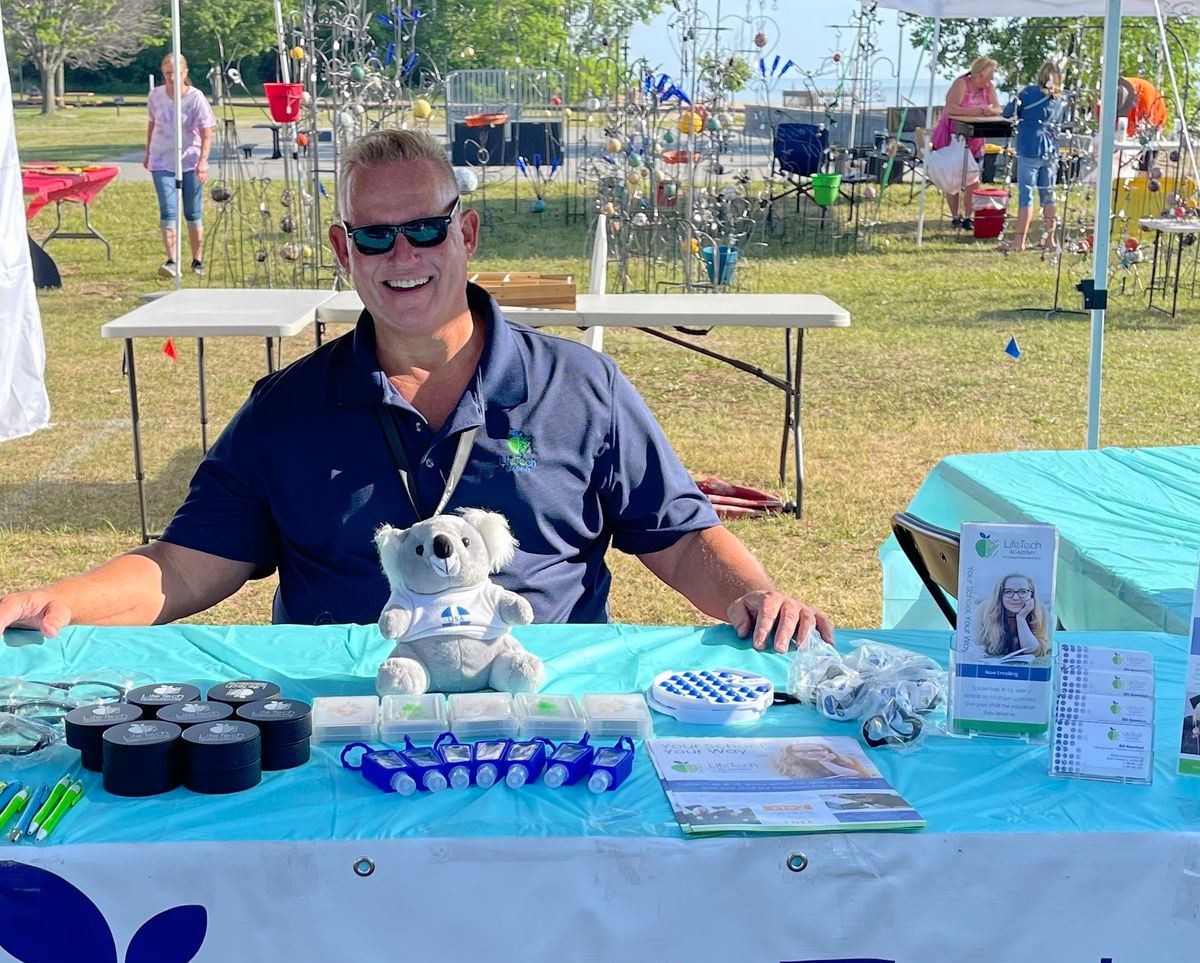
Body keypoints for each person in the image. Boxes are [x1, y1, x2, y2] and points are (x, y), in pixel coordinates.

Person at [0, 130, 831, 654]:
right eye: (375, 235)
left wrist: (755, 597)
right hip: (348, 726)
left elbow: (681, 539)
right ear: (344, 248)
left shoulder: (582, 387)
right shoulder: (286, 410)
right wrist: (58, 601)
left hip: (536, 713)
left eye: (427, 228)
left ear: (464, 232)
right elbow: (181, 569)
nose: (404, 256)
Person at [144, 53, 216, 279]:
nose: (171, 77)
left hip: (190, 160)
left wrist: (202, 162)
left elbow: (207, 134)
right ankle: (172, 260)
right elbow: (152, 124)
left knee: (192, 213)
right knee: (168, 211)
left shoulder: (195, 98)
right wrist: (147, 152)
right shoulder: (155, 96)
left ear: (185, 73)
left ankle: (197, 259)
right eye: (167, 73)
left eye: (176, 73)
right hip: (161, 160)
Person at [929, 57, 1003, 229]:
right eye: (989, 75)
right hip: (953, 136)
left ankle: (968, 217)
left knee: (973, 178)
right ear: (980, 74)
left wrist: (990, 111)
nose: (991, 80)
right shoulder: (961, 84)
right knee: (953, 176)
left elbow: (998, 108)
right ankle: (955, 215)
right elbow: (951, 107)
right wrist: (972, 111)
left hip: (976, 136)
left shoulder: (989, 88)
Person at [1003, 61, 1065, 251]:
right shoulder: (1060, 100)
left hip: (1030, 146)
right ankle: (1049, 240)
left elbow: (1008, 113)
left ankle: (1019, 242)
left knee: (1026, 195)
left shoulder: (1029, 93)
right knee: (1048, 195)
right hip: (1051, 150)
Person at [973, 574, 1052, 658]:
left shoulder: (1041, 610)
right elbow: (973, 644)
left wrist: (1021, 618)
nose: (1015, 597)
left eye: (1022, 592)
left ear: (1031, 595)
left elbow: (1034, 652)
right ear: (1000, 595)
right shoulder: (985, 608)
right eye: (1008, 592)